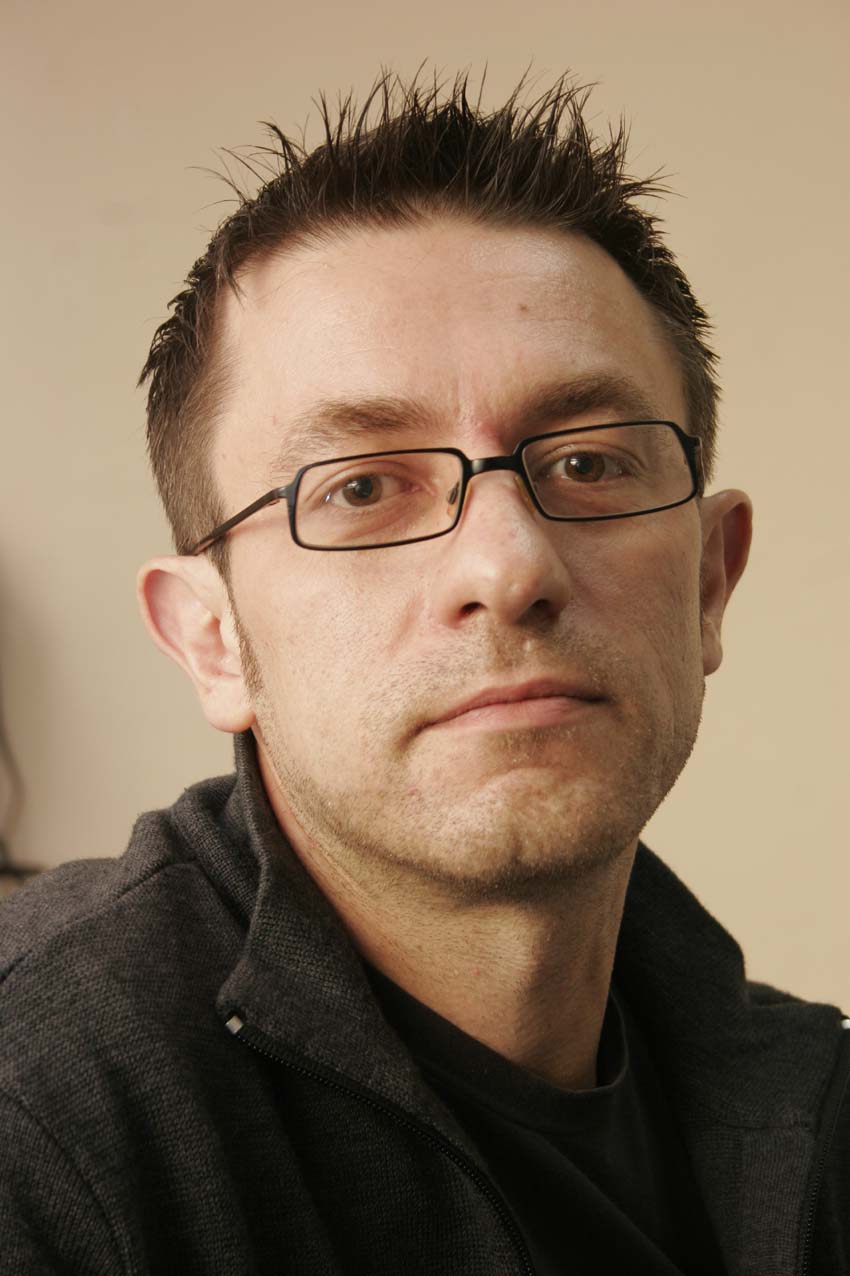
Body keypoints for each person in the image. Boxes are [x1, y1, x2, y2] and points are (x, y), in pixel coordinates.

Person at [1, 69, 846, 1276]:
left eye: (589, 462)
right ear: (210, 639)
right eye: (358, 487)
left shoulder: (811, 1100)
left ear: (709, 581)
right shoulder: (37, 1122)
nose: (509, 565)